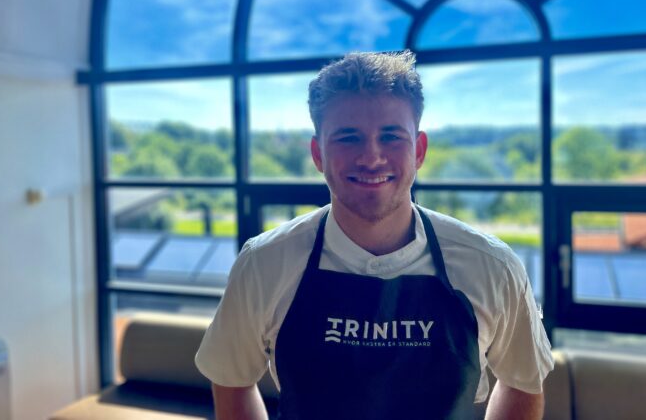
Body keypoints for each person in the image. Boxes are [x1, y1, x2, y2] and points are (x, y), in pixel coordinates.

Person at [195, 51, 554, 419]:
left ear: (419, 151)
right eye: (348, 138)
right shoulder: (263, 263)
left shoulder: (493, 267)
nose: (371, 158)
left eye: (391, 137)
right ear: (318, 154)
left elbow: (523, 381)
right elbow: (231, 379)